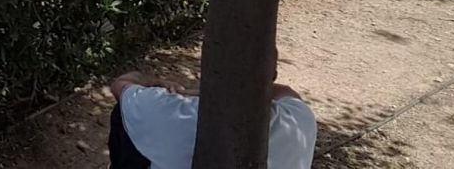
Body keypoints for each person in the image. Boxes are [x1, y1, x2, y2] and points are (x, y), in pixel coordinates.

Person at [108, 67, 316, 169]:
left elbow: (122, 85)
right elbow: (285, 91)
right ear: (273, 72)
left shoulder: (175, 112)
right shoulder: (298, 118)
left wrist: (155, 82)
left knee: (123, 114)